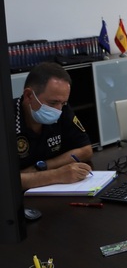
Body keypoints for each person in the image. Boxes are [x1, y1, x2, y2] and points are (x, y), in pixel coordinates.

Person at [16, 62, 93, 190]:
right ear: (29, 96)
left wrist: (42, 166)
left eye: (63, 103)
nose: (58, 111)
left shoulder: (62, 108)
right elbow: (7, 181)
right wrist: (57, 175)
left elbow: (85, 150)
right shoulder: (7, 119)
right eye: (53, 103)